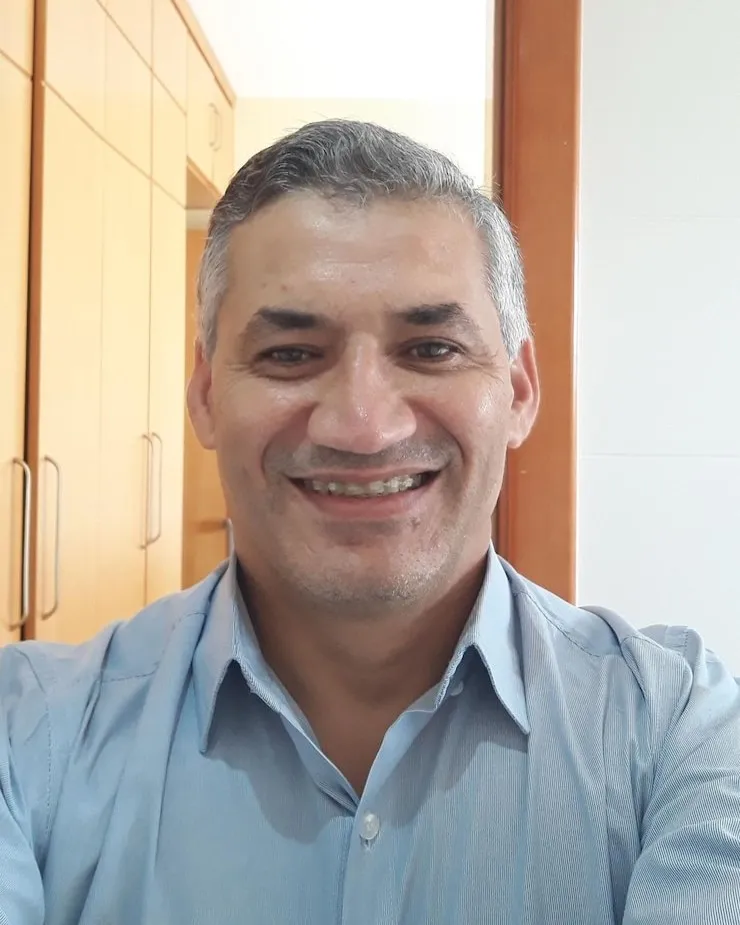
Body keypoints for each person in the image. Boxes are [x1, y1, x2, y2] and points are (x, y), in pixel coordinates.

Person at [1, 120, 739, 925]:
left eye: (431, 349)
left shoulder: (681, 735)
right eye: (290, 354)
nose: (363, 426)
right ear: (206, 395)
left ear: (520, 391)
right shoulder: (26, 734)